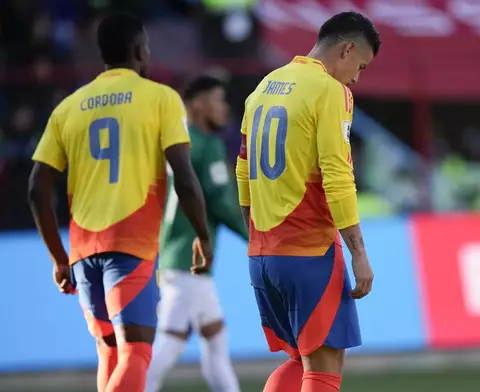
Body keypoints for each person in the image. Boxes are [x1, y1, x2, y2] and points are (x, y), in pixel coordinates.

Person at [27, 13, 213, 392]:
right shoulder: (161, 98)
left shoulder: (69, 106)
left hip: (82, 250)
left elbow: (36, 190)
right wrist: (203, 235)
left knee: (109, 351)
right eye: (146, 45)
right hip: (131, 243)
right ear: (137, 50)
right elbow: (185, 177)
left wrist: (58, 258)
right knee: (137, 354)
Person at [235, 11, 379, 392]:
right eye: (360, 66)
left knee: (301, 360)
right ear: (347, 49)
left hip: (263, 254)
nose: (357, 78)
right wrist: (359, 253)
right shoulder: (330, 91)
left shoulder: (265, 85)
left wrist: (256, 232)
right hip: (310, 250)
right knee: (324, 366)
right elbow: (337, 176)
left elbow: (243, 169)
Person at [145, 76, 246, 392]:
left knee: (215, 339)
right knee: (171, 342)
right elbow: (221, 203)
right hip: (192, 257)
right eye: (218, 100)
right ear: (198, 104)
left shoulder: (174, 141)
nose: (224, 107)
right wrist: (256, 238)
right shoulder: (207, 144)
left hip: (175, 252)